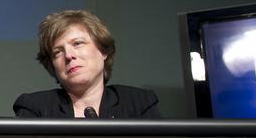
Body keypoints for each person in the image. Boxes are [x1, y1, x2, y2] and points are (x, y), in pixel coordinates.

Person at [13, 9, 160, 119]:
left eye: (77, 43)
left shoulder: (139, 103)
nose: (69, 55)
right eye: (58, 52)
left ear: (103, 51)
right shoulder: (35, 108)